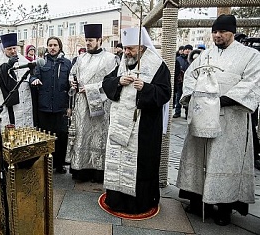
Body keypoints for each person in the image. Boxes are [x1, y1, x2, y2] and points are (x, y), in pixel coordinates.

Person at [176, 14, 260, 226]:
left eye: (222, 31)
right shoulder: (205, 56)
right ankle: (197, 202)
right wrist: (195, 98)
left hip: (230, 120)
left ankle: (224, 208)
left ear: (232, 32)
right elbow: (190, 78)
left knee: (224, 161)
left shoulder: (250, 55)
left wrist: (220, 101)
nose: (217, 35)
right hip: (202, 116)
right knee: (199, 158)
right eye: (214, 31)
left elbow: (252, 83)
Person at [101, 27, 171, 215]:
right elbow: (106, 82)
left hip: (143, 128)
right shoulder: (123, 62)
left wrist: (146, 88)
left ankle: (139, 203)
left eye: (130, 49)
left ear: (142, 47)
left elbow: (165, 93)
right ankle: (116, 199)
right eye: (125, 48)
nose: (126, 52)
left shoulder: (157, 65)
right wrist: (118, 81)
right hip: (119, 126)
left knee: (142, 165)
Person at [66, 24, 118, 183]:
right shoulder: (81, 58)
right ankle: (80, 170)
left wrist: (88, 88)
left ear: (99, 40)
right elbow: (72, 74)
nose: (87, 43)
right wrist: (72, 83)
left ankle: (98, 172)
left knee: (98, 136)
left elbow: (112, 82)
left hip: (100, 104)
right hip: (81, 104)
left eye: (91, 40)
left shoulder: (110, 59)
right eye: (86, 40)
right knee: (82, 135)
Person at [30, 37, 72, 173]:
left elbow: (71, 84)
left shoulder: (66, 63)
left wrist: (69, 106)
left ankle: (60, 164)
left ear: (60, 47)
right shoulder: (41, 63)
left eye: (55, 45)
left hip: (60, 107)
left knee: (61, 137)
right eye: (50, 45)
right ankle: (46, 164)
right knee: (45, 137)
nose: (52, 47)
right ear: (47, 47)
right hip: (45, 106)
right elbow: (33, 76)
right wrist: (35, 79)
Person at [0, 33, 33, 127]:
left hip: (24, 104)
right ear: (4, 50)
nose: (12, 51)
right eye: (9, 49)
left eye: (14, 48)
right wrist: (7, 66)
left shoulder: (24, 61)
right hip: (8, 105)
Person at [173, 44, 192, 118]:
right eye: (186, 49)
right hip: (180, 82)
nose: (187, 50)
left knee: (188, 98)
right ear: (183, 51)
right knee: (178, 97)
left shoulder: (193, 59)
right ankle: (177, 112)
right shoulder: (178, 59)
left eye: (189, 49)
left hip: (189, 82)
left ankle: (187, 113)